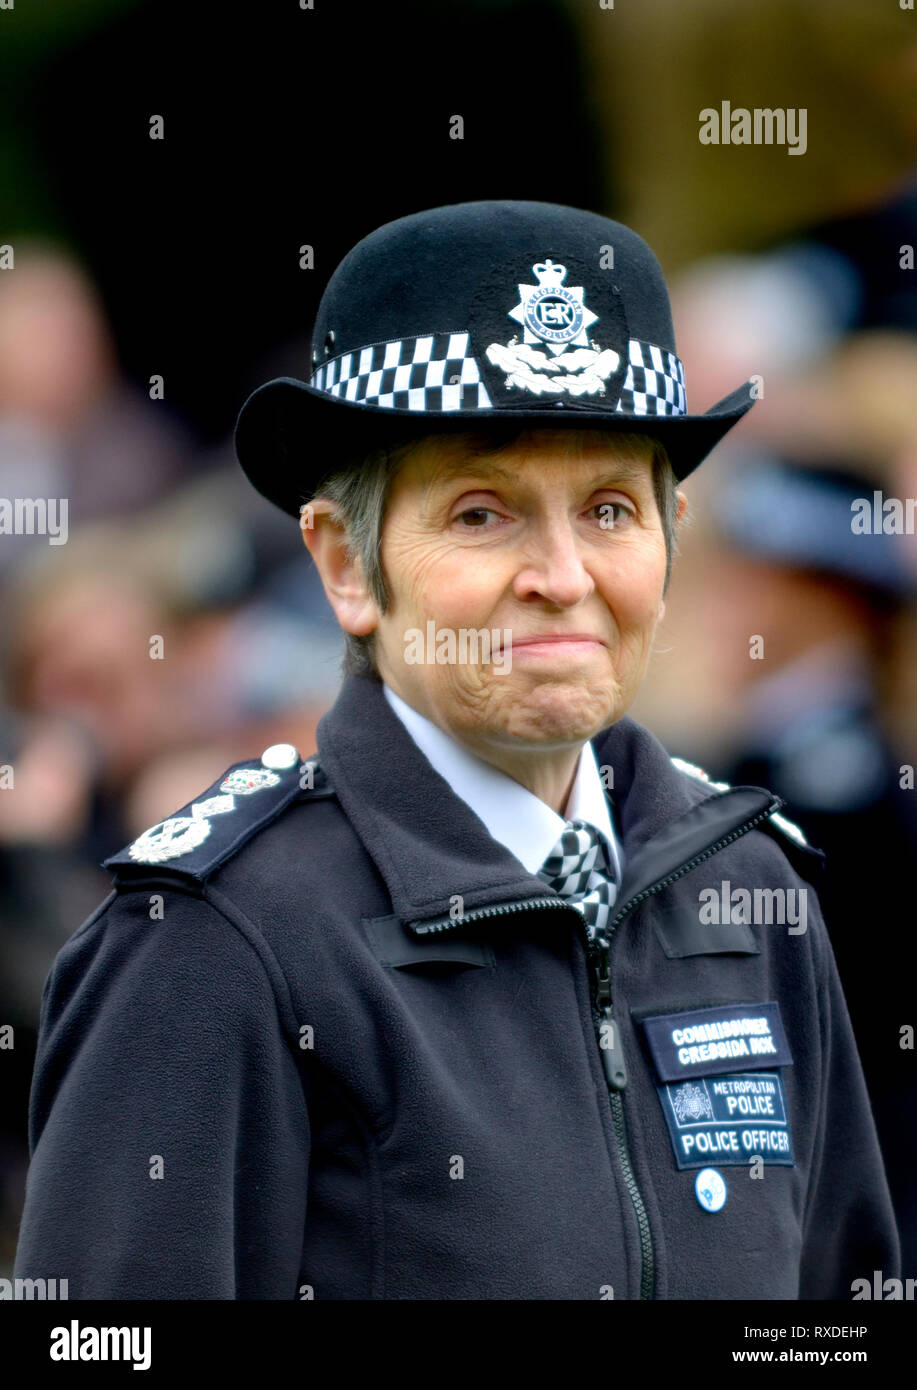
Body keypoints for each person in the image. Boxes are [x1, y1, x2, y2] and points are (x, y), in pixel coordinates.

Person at [13, 200, 899, 1300]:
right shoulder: (216, 943)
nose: (563, 575)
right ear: (345, 566)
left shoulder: (747, 887)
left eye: (612, 509)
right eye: (482, 513)